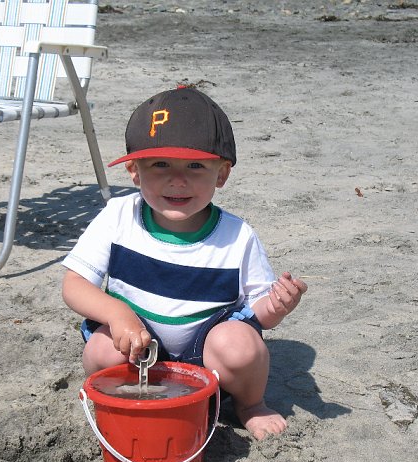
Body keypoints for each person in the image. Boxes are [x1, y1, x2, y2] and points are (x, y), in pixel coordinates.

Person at [61, 87, 307, 440]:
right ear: (134, 170)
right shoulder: (118, 216)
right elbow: (74, 285)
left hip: (207, 353)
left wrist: (278, 306)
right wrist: (118, 315)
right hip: (138, 343)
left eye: (195, 166)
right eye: (160, 165)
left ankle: (250, 405)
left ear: (221, 174)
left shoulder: (237, 236)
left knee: (241, 346)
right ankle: (118, 399)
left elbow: (259, 314)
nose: (178, 180)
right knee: (101, 348)